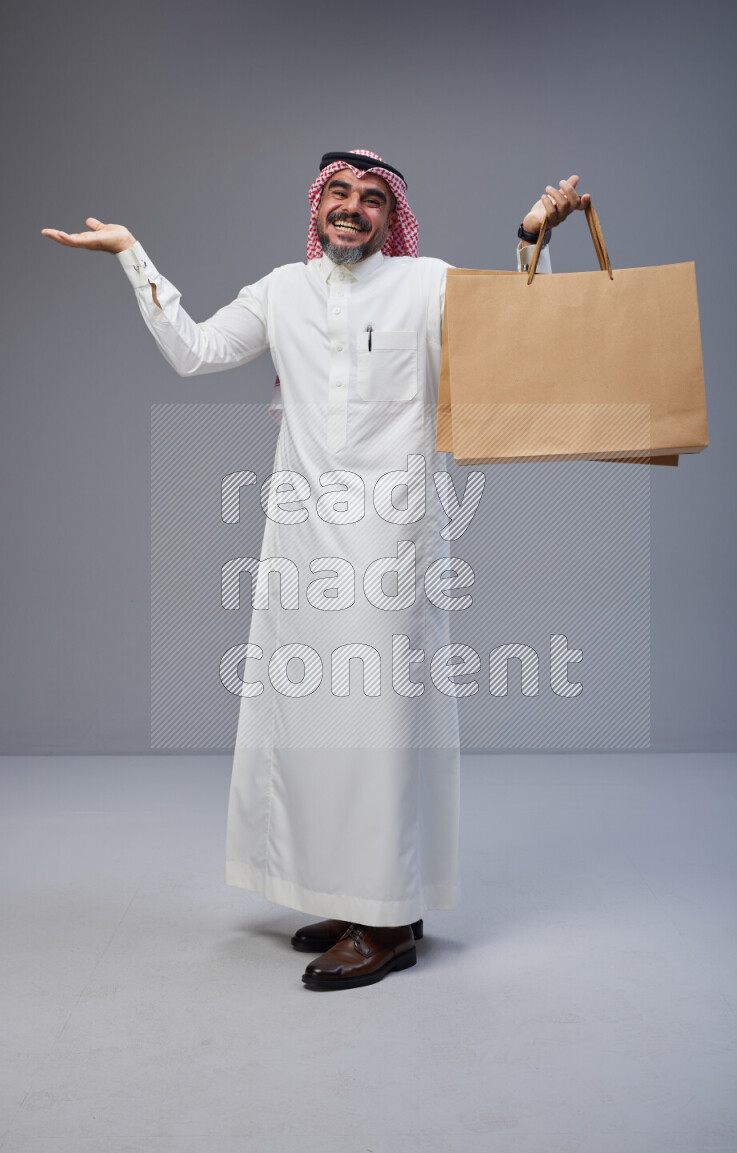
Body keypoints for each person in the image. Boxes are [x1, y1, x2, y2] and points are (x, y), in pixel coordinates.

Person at [42, 150, 590, 992]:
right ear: (318, 204)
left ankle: (387, 924)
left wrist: (532, 236)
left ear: (389, 216)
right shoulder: (281, 291)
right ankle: (362, 895)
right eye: (339, 193)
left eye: (373, 200)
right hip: (301, 542)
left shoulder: (425, 283)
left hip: (392, 540)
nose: (353, 209)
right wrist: (132, 255)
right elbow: (194, 351)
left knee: (377, 726)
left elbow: (524, 329)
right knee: (311, 719)